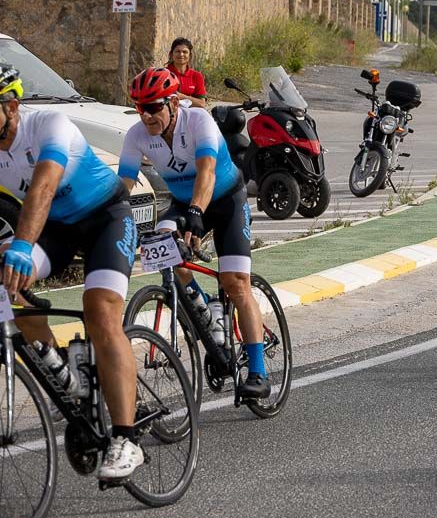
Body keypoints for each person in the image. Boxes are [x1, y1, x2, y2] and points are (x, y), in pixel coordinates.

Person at [0, 63, 145, 481]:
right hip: (58, 229)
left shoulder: (48, 125)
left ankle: (126, 438)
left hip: (106, 218)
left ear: (11, 106)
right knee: (5, 284)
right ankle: (59, 369)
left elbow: (44, 187)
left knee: (99, 309)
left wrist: (24, 246)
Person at [118, 68, 270, 399]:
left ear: (173, 103)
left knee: (235, 282)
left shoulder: (198, 121)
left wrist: (197, 214)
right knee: (163, 247)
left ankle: (258, 371)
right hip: (185, 203)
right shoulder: (137, 134)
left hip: (225, 199)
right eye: (141, 108)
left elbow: (207, 172)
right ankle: (209, 317)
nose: (147, 115)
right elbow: (124, 185)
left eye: (154, 106)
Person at [166, 37, 207, 109]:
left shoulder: (196, 76)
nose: (181, 54)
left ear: (190, 55)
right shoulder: (163, 74)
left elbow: (201, 103)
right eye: (177, 51)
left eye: (185, 52)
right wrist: (191, 100)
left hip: (190, 116)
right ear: (171, 54)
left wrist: (181, 97)